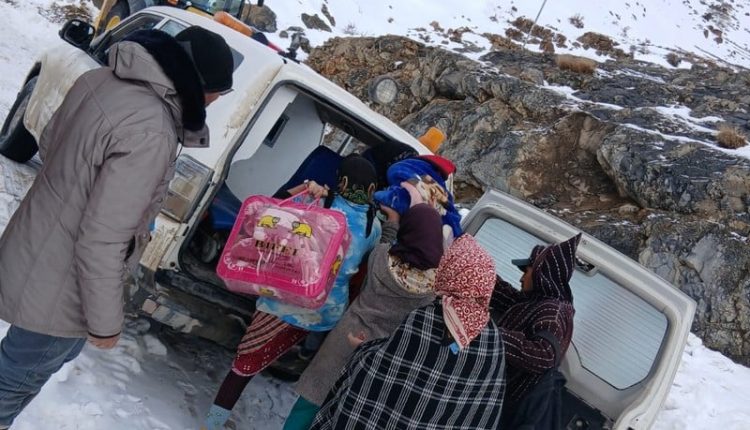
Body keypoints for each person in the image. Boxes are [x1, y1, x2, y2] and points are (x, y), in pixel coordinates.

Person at [0, 26, 234, 428]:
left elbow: (51, 142)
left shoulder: (100, 81)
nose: (215, 101)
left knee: (21, 363)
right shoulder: (152, 130)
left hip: (38, 244)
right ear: (197, 83)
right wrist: (105, 324)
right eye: (218, 91)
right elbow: (103, 238)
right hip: (65, 281)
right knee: (16, 379)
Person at [203, 154, 382, 430]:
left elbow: (268, 213)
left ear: (342, 181)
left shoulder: (319, 204)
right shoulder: (374, 226)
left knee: (243, 366)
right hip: (326, 312)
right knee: (301, 367)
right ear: (371, 189)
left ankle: (212, 425)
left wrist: (305, 188)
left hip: (287, 300)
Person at [310, 234, 506, 430]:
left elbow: (382, 365)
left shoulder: (427, 318)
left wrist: (363, 347)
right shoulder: (493, 338)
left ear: (451, 270)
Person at [283, 202, 445, 429]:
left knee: (310, 400)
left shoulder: (381, 257)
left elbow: (386, 240)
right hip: (379, 356)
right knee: (343, 413)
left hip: (346, 337)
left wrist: (393, 221)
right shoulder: (434, 288)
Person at [491, 234, 582, 426]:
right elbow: (507, 297)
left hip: (509, 405)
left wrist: (493, 337)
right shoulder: (538, 301)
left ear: (542, 273)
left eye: (527, 271)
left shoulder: (553, 310)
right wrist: (479, 272)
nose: (521, 277)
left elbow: (544, 355)